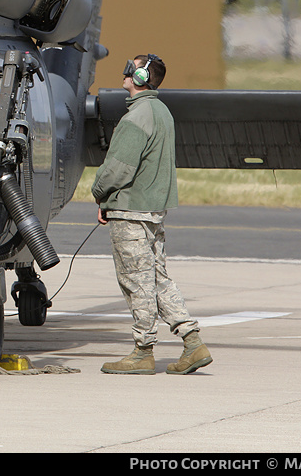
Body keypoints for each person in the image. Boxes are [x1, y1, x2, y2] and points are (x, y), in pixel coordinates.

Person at [91, 53, 213, 375]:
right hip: (153, 212)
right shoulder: (162, 112)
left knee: (137, 282)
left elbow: (118, 169)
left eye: (130, 68)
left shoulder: (136, 118)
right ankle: (192, 341)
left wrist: (99, 194)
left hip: (130, 213)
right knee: (158, 278)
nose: (125, 72)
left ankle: (143, 351)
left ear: (140, 77)